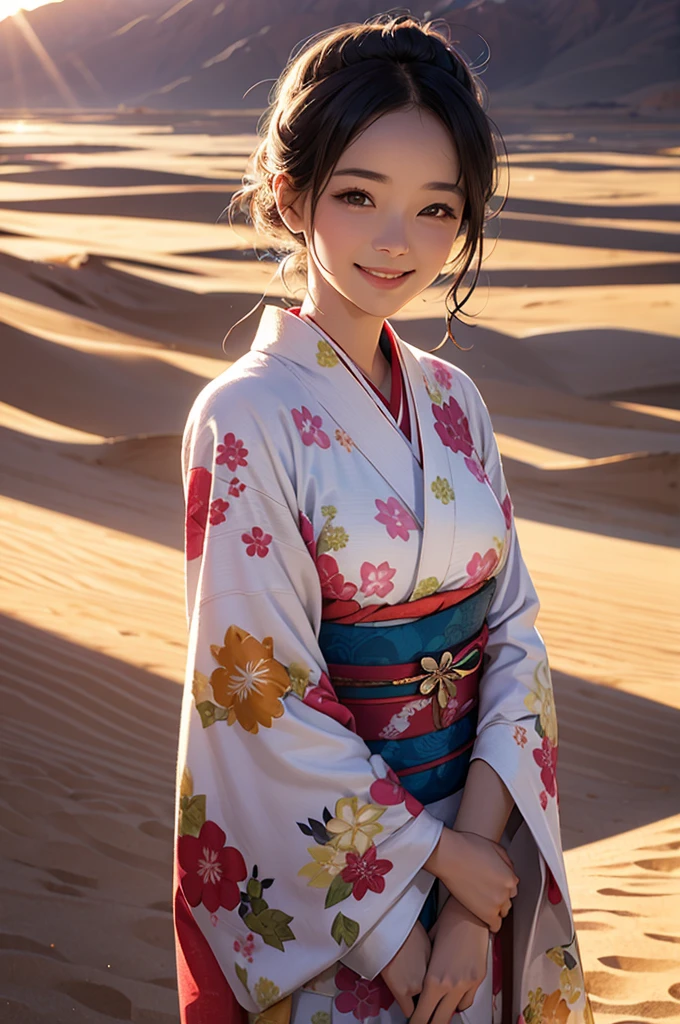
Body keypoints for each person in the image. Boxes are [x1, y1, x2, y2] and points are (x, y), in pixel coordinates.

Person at [173, 14, 593, 1024]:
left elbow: (512, 635)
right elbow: (257, 701)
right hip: (350, 895)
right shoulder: (242, 416)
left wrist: (469, 883)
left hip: (472, 878)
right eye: (359, 195)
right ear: (291, 193)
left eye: (436, 210)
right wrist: (407, 923)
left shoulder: (454, 399)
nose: (398, 241)